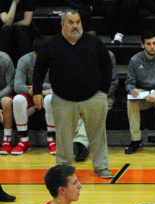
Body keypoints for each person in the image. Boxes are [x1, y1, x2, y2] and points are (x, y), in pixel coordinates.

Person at [32, 10, 114, 178]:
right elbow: (39, 68)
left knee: (98, 135)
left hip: (94, 97)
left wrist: (103, 91)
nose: (75, 26)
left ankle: (101, 166)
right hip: (63, 99)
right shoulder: (51, 44)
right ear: (62, 24)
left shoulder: (94, 42)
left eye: (78, 22)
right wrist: (37, 92)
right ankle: (64, 170)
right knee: (63, 137)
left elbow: (107, 66)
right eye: (71, 22)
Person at [124, 29, 155, 155]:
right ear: (142, 45)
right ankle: (136, 140)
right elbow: (129, 83)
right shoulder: (135, 60)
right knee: (131, 103)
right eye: (148, 44)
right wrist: (132, 90)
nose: (152, 46)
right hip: (144, 94)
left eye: (154, 43)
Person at [6, 37, 54, 155]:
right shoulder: (24, 60)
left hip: (46, 95)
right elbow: (17, 86)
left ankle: (52, 139)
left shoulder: (55, 58)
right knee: (18, 99)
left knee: (50, 98)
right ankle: (24, 140)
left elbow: (59, 85)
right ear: (34, 53)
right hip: (32, 96)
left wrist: (38, 89)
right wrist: (39, 90)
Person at [72, 49, 117, 163]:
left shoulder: (108, 56)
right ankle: (80, 145)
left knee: (93, 113)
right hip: (83, 96)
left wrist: (99, 96)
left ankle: (80, 144)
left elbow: (113, 82)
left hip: (104, 97)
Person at [0, 48, 15, 152]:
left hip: (4, 92)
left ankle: (7, 139)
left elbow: (11, 85)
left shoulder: (4, 59)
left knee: (6, 102)